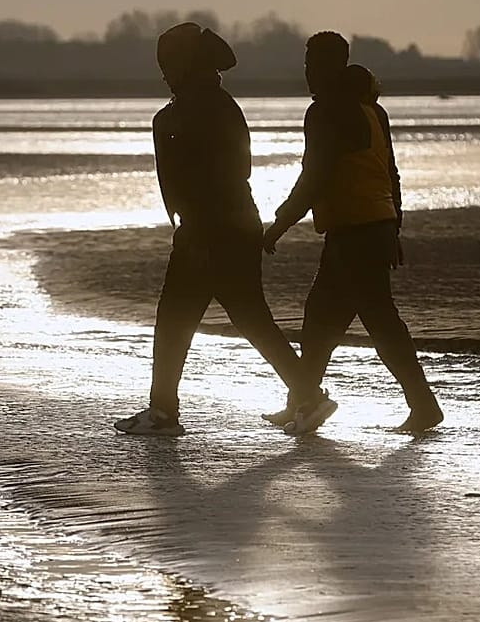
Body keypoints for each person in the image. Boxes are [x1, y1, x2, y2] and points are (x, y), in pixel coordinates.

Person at [113, 23, 335, 437]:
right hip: (230, 225)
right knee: (248, 318)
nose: (164, 73)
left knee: (178, 319)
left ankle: (163, 411)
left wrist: (197, 225)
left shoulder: (194, 110)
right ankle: (307, 394)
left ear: (185, 64)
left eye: (169, 64)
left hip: (211, 231)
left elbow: (216, 172)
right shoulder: (213, 104)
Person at [264, 33, 442, 434]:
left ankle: (423, 406)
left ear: (332, 66)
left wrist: (278, 224)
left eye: (313, 64)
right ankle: (303, 401)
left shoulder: (326, 112)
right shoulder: (372, 111)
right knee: (324, 320)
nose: (307, 72)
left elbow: (315, 177)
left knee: (376, 322)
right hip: (370, 229)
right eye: (306, 63)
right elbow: (390, 175)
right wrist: (393, 225)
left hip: (354, 234)